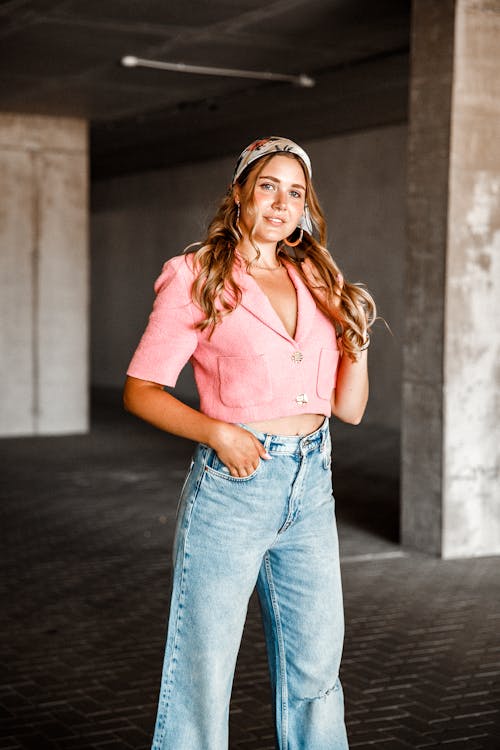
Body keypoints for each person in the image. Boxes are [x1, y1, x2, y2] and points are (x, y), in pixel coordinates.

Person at [123, 136, 376, 750]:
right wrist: (217, 432)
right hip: (234, 487)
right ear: (239, 192)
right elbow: (141, 390)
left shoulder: (317, 275)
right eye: (268, 185)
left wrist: (358, 339)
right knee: (203, 672)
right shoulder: (196, 276)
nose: (281, 202)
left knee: (317, 670)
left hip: (312, 485)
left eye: (295, 192)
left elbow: (348, 409)